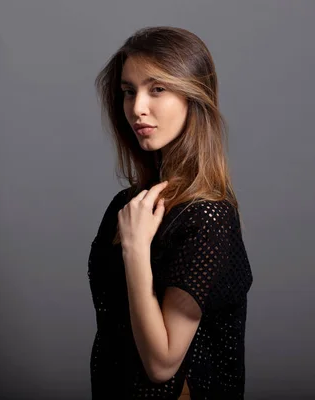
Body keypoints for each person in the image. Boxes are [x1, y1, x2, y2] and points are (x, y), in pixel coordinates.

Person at [87, 26, 254, 399]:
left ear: (194, 96)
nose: (137, 108)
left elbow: (162, 365)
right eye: (129, 92)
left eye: (157, 88)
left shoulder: (208, 217)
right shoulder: (129, 206)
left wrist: (134, 249)